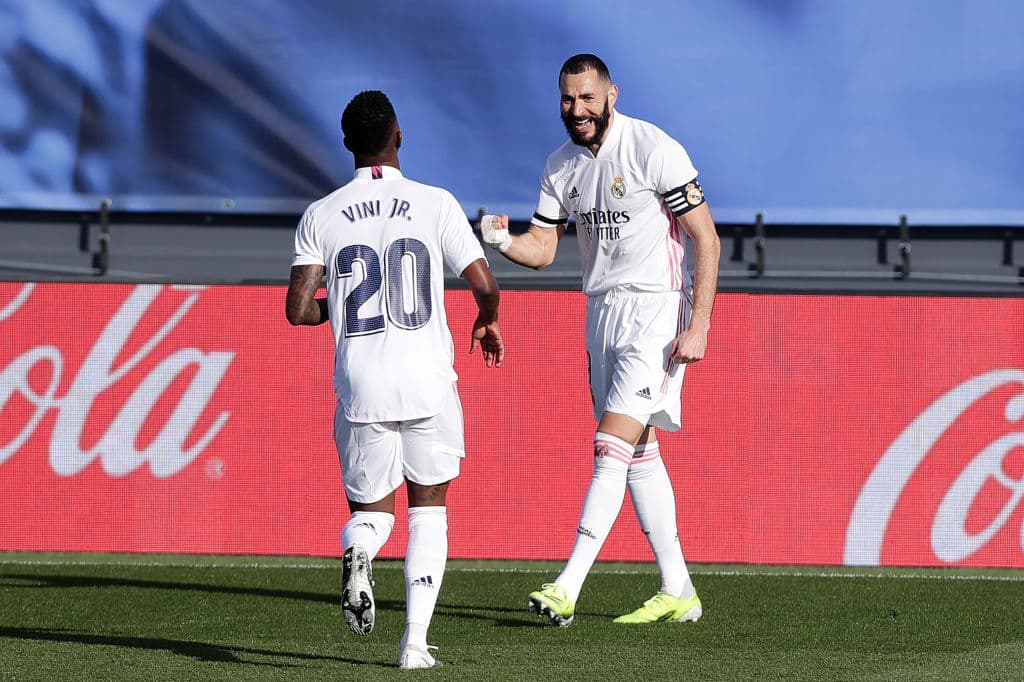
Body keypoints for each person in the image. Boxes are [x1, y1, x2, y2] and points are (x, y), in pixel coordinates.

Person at [480, 53, 721, 626]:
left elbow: (706, 240)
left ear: (611, 92)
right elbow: (542, 250)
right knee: (637, 451)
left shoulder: (652, 148)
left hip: (655, 312)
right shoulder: (560, 166)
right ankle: (679, 589)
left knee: (609, 446)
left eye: (587, 98)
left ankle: (567, 586)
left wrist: (701, 322)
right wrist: (502, 241)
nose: (577, 110)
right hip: (602, 315)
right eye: (568, 99)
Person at [286, 90, 503, 668]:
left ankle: (359, 551)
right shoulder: (434, 203)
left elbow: (298, 308)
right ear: (399, 136)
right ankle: (413, 644)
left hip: (361, 383)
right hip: (427, 379)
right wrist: (487, 319)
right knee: (427, 512)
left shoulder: (322, 214)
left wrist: (352, 304)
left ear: (347, 143)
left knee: (371, 515)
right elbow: (483, 282)